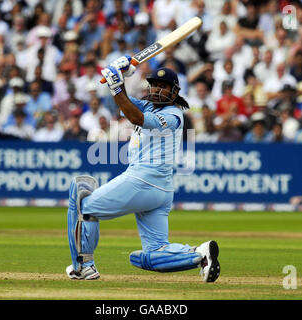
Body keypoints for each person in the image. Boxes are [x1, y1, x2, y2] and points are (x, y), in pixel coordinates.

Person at [66, 55, 220, 282]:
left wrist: (117, 84)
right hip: (161, 190)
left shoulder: (173, 114)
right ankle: (199, 254)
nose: (157, 89)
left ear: (175, 92)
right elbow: (123, 103)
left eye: (163, 86)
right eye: (154, 85)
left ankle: (84, 266)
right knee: (153, 253)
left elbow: (134, 116)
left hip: (143, 180)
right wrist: (121, 76)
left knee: (83, 203)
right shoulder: (149, 104)